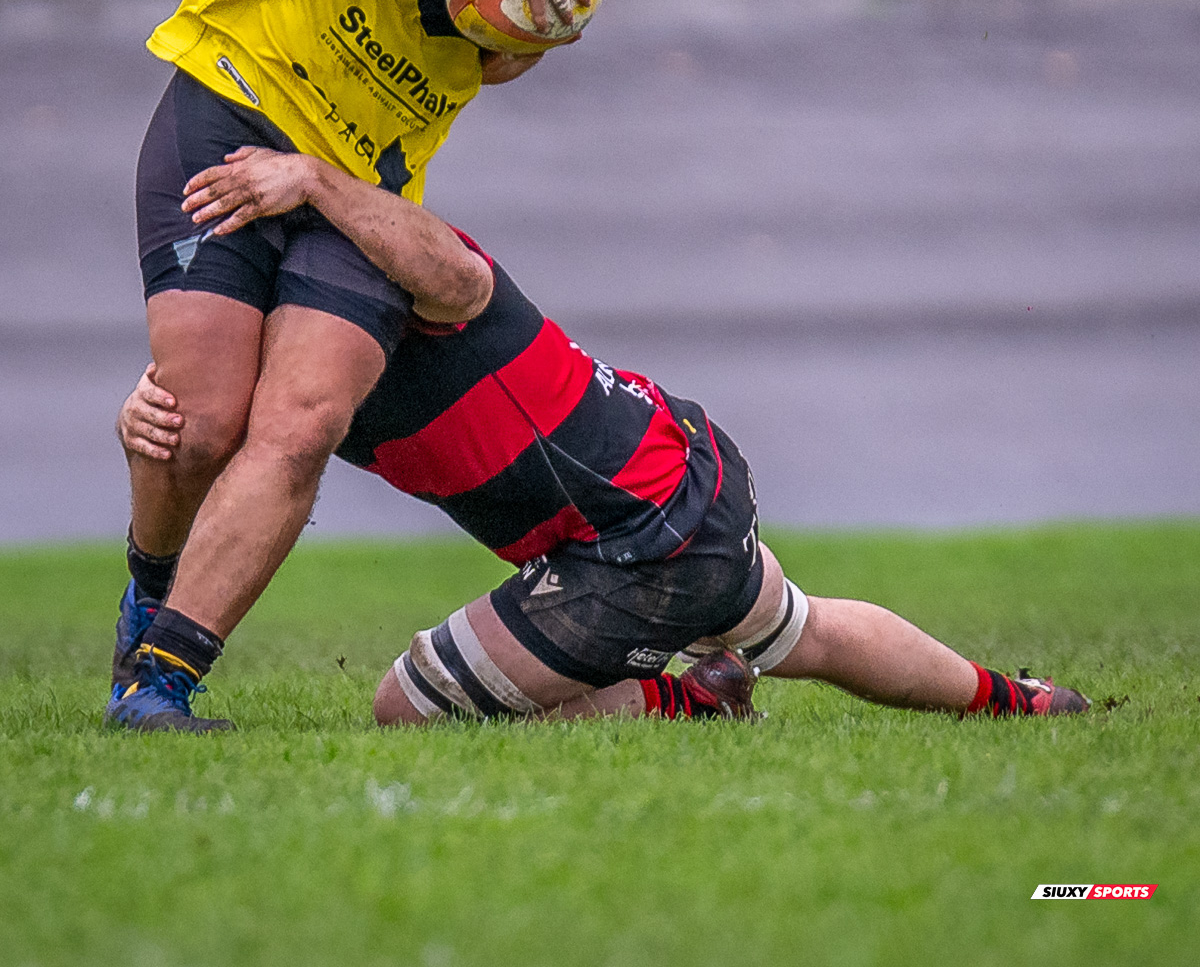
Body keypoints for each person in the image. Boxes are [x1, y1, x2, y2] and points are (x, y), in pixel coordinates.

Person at [111, 0, 684, 732]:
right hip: (235, 106)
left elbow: (492, 61)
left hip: (357, 188)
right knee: (199, 429)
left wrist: (526, 30)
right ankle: (147, 586)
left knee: (303, 423)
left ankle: (160, 682)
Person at [114, 145, 1090, 731]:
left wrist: (319, 181)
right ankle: (1021, 702)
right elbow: (225, 452)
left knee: (407, 707)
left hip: (636, 540)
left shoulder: (389, 267)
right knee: (805, 631)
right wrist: (141, 431)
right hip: (677, 486)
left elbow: (451, 273)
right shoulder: (290, 361)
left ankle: (691, 707)